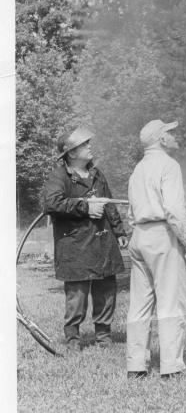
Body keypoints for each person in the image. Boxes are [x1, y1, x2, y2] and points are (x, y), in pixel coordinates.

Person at [43, 127, 128, 351]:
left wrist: (119, 232)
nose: (90, 147)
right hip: (75, 245)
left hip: (103, 242)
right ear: (71, 153)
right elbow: (52, 204)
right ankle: (72, 339)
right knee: (77, 297)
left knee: (106, 289)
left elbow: (108, 204)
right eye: (84, 145)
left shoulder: (97, 174)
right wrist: (86, 207)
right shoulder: (59, 175)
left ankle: (104, 336)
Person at [126, 120, 186, 380]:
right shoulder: (169, 165)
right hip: (162, 235)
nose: (173, 135)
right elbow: (175, 210)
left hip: (139, 236)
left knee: (140, 304)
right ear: (161, 139)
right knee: (170, 301)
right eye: (169, 132)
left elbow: (131, 212)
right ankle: (171, 367)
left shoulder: (138, 169)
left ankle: (136, 365)